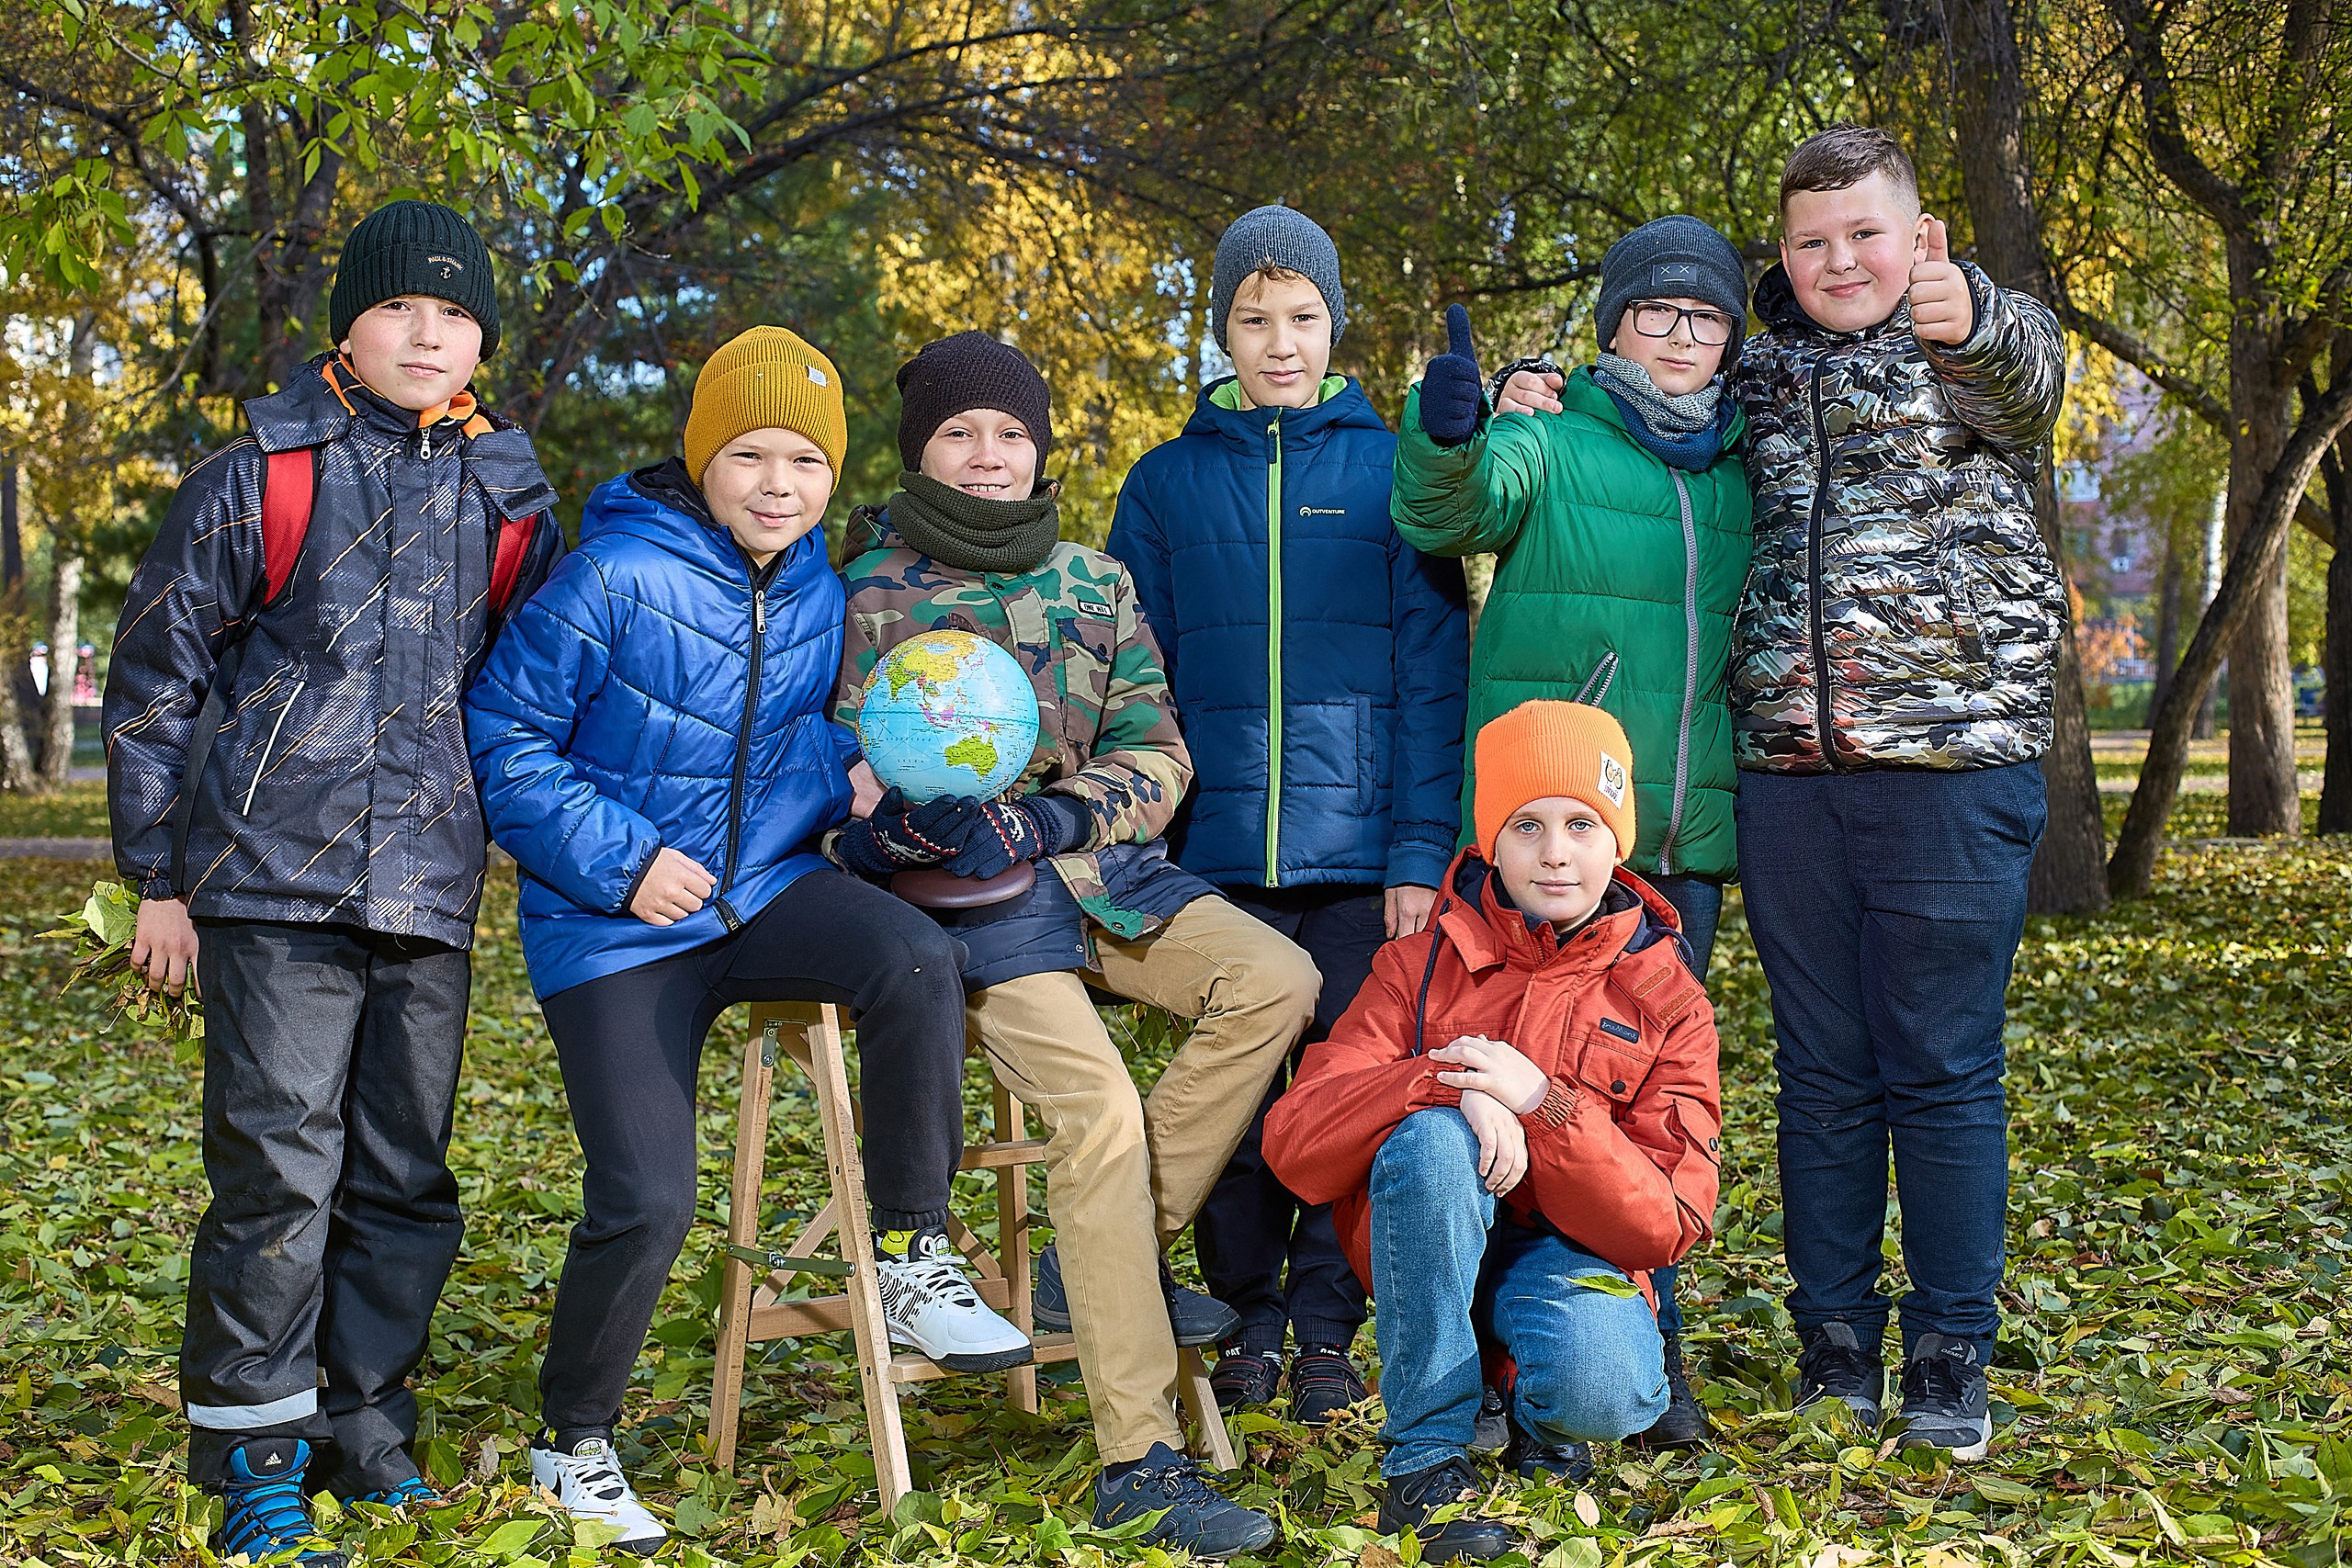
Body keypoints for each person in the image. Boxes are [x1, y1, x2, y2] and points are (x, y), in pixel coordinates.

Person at [1499, 125, 2064, 1459]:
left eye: (1865, 232)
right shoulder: (1759, 369)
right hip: (1791, 776)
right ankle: (1835, 1341)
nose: (1839, 260)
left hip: (1951, 763)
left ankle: (1947, 1349)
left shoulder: (1966, 339)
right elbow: (1651, 382)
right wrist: (1538, 380)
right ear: (1786, 256)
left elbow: (2027, 379)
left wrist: (1971, 309)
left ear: (1915, 233)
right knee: (1819, 1070)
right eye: (1812, 241)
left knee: (1939, 1064)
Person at [465, 326, 1029, 1553]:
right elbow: (504, 742)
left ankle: (909, 1250)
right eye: (750, 455)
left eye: (805, 463)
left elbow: (784, 752)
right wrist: (621, 860)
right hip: (614, 927)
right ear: (701, 458)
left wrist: (859, 773)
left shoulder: (823, 589)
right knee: (650, 1190)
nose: (779, 484)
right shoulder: (611, 577)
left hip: (761, 891)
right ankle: (574, 1442)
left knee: (914, 956)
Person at [103, 199, 566, 1565]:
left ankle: (367, 1429)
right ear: (347, 329)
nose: (428, 330)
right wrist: (155, 874)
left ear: (481, 335)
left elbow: (523, 692)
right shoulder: (260, 472)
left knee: (405, 1176)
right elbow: (157, 674)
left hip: (428, 885)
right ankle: (256, 1454)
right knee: (277, 1170)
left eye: (455, 311)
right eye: (399, 307)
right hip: (266, 883)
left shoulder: (512, 496)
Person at [831, 331, 1316, 1558]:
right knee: (1096, 1112)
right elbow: (827, 770)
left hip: (1101, 872)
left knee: (1278, 976)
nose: (988, 454)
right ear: (921, 452)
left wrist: (1059, 809)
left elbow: (1161, 750)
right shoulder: (867, 590)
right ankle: (1139, 1459)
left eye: (1009, 431)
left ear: (1040, 445)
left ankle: (1093, 1255)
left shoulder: (1094, 579)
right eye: (959, 433)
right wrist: (885, 831)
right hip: (967, 908)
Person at [1392, 212, 1754, 1449]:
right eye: (1654, 312)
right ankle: (1483, 1350)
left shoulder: (1749, 468)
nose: (1679, 336)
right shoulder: (1547, 439)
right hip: (1542, 834)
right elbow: (1455, 509)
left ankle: (1647, 1337)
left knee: (1647, 1108)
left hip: (1675, 846)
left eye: (1703, 317)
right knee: (1496, 1086)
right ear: (1612, 329)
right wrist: (1449, 432)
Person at [1105, 204, 1469, 1424]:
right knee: (1243, 1104)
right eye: (1254, 318)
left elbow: (1434, 672)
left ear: (1334, 326)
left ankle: (1326, 1328)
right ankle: (1246, 1316)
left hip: (1366, 858)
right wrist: (1140, 840)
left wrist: (1421, 849)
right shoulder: (1162, 485)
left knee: (1348, 1092)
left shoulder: (1389, 472)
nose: (1279, 341)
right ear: (1221, 329)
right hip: (1212, 856)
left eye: (1302, 316)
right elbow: (1129, 676)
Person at [1263, 701, 1722, 1562]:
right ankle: (1427, 1460)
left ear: (1616, 841)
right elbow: (1296, 1140)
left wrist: (1544, 1102)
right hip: (1424, 1240)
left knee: (1610, 1393)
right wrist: (1451, 1083)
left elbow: (1668, 1220)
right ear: (1489, 843)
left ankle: (1526, 1400)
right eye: (1528, 825)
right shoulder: (1415, 965)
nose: (1556, 851)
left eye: (1583, 823)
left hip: (1571, 1249)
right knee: (1436, 1142)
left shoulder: (1668, 997)